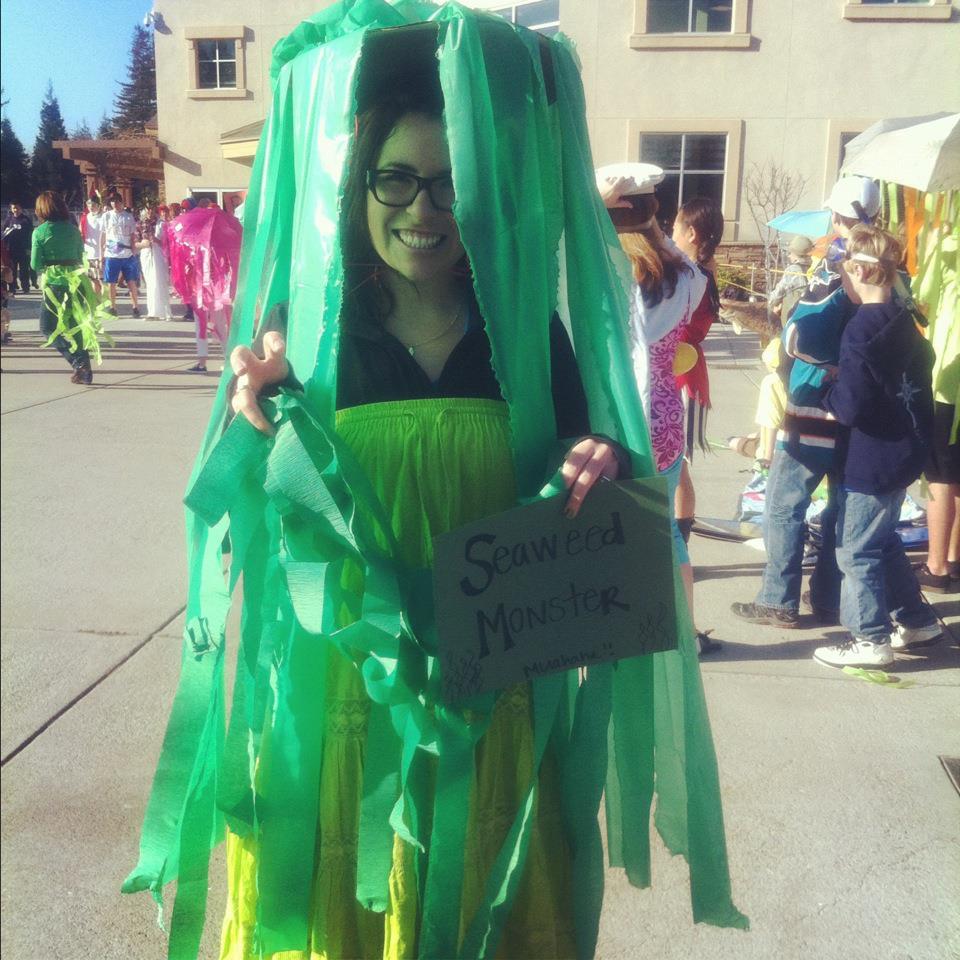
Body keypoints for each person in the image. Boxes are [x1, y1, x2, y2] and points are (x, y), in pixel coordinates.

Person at [123, 10, 745, 959]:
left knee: (469, 891)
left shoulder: (526, 337)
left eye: (451, 183)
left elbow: (584, 462)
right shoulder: (314, 332)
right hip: (346, 684)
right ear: (359, 186)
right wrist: (259, 402)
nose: (424, 209)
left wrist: (599, 459)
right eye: (397, 179)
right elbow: (269, 480)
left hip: (487, 688)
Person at [731, 176, 881, 629]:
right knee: (839, 505)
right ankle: (829, 596)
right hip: (860, 407)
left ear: (836, 217)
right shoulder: (890, 264)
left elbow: (799, 335)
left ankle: (778, 599)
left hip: (815, 400)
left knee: (785, 503)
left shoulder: (836, 268)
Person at [812, 225, 940, 667]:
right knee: (880, 540)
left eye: (844, 269)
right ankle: (917, 619)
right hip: (903, 449)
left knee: (856, 550)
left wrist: (828, 392)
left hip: (871, 456)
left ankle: (869, 639)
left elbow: (850, 406)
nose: (841, 278)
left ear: (861, 271)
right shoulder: (904, 320)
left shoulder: (860, 328)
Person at [596, 165, 708, 651]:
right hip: (666, 418)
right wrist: (652, 227)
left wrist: (594, 208)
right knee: (666, 532)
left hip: (626, 421)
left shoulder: (617, 279)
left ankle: (630, 630)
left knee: (615, 532)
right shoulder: (686, 279)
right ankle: (685, 632)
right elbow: (684, 260)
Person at [30, 191, 93, 383]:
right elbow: (80, 254)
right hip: (76, 281)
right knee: (75, 326)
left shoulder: (40, 232)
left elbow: (35, 264)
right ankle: (85, 367)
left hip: (55, 284)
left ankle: (77, 363)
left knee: (47, 327)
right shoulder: (73, 229)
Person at [100, 194, 141, 316]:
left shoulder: (128, 216)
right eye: (112, 202)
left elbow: (133, 236)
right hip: (112, 254)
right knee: (111, 282)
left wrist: (134, 252)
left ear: (122, 202)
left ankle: (135, 307)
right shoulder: (106, 216)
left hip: (127, 254)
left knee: (131, 281)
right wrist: (101, 253)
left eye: (117, 201)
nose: (115, 204)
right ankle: (113, 307)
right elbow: (103, 235)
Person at [135, 206, 172, 320]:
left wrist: (156, 241)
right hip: (146, 254)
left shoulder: (162, 224)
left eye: (151, 211)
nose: (149, 214)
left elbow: (169, 243)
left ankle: (166, 312)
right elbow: (135, 243)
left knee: (160, 282)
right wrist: (143, 244)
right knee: (150, 283)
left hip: (159, 255)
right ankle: (152, 312)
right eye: (147, 211)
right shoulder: (140, 224)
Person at [768, 235, 813, 322]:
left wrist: (771, 304)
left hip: (794, 317)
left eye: (791, 253)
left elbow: (779, 292)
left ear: (796, 255)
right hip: (812, 315)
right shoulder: (816, 268)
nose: (789, 256)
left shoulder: (792, 270)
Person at [2, 202, 34, 294]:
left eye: (17, 208)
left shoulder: (26, 220)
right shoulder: (9, 220)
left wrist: (29, 247)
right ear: (11, 209)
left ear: (21, 208)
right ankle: (12, 287)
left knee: (24, 269)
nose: (15, 210)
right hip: (11, 249)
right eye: (14, 208)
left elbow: (31, 234)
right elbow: (4, 234)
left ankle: (25, 287)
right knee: (13, 270)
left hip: (23, 249)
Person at [80, 196, 105, 296]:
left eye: (93, 204)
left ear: (99, 205)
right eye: (89, 204)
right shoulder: (85, 217)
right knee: (93, 279)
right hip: (89, 252)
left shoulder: (104, 217)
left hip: (101, 253)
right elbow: (81, 232)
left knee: (102, 280)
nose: (91, 206)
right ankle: (97, 301)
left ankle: (106, 301)